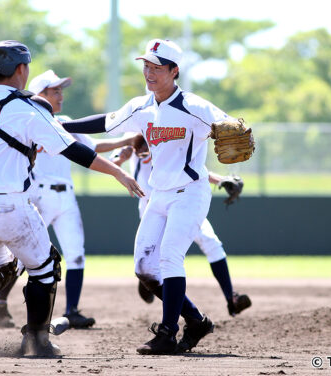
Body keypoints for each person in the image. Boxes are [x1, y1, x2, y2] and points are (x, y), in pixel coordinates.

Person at [0, 40, 143, 358]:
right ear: (22, 69)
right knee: (47, 266)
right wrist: (119, 173)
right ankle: (37, 341)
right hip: (7, 203)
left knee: (0, 264)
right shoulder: (27, 109)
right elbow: (75, 150)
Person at [59, 39, 251, 355]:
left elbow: (234, 128)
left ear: (174, 71)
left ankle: (167, 333)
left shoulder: (195, 107)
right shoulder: (141, 106)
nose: (149, 72)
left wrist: (237, 134)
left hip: (189, 194)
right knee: (145, 269)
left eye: (157, 67)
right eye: (146, 65)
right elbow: (105, 122)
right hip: (157, 195)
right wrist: (61, 124)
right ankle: (196, 320)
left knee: (170, 257)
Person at [0, 69, 135, 329]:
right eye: (54, 90)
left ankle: (72, 311)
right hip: (38, 194)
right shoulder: (29, 120)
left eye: (60, 90)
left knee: (76, 254)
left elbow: (91, 147)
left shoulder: (65, 121)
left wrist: (128, 141)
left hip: (65, 195)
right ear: (40, 94)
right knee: (22, 257)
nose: (60, 95)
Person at [112, 135, 252, 317]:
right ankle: (154, 284)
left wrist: (220, 180)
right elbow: (112, 163)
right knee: (152, 263)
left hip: (182, 200)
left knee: (211, 242)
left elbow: (185, 169)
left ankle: (231, 299)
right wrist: (122, 156)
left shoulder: (171, 129)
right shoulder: (134, 131)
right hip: (152, 207)